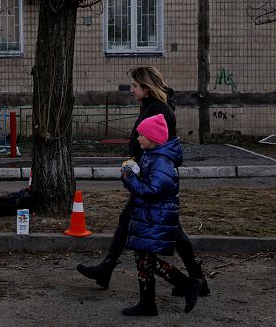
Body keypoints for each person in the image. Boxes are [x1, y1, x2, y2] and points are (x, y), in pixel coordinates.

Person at [76, 66, 209, 296]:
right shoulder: (151, 107)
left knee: (164, 228)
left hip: (153, 180)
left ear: (147, 88)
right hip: (147, 176)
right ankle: (196, 279)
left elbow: (160, 148)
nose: (132, 89)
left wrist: (140, 170)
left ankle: (193, 282)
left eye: (135, 85)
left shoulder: (160, 111)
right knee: (153, 225)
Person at [120, 113, 201, 316]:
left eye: (141, 135)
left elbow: (153, 190)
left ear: (153, 138)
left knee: (147, 259)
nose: (137, 139)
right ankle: (147, 303)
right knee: (142, 257)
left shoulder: (162, 161)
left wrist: (131, 180)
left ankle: (187, 284)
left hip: (155, 217)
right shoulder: (152, 156)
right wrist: (132, 174)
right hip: (150, 216)